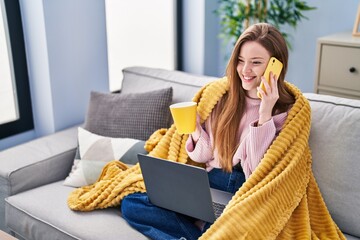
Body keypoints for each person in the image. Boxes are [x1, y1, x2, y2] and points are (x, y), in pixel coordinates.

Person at [121, 23, 295, 240]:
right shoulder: (222, 97)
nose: (245, 70)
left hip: (242, 191)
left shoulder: (285, 112)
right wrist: (194, 128)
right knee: (131, 204)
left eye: (256, 63)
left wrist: (265, 113)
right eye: (240, 61)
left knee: (224, 233)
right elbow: (203, 156)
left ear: (275, 66)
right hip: (208, 182)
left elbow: (255, 172)